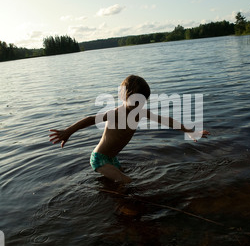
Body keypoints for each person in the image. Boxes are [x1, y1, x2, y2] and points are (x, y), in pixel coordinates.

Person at [49, 75, 209, 184]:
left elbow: (165, 120)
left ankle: (111, 195)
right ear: (124, 97)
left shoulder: (141, 113)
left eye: (142, 101)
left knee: (121, 180)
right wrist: (68, 131)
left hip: (112, 159)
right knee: (127, 182)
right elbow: (91, 119)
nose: (138, 105)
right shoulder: (117, 113)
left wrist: (188, 130)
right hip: (99, 159)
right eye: (135, 100)